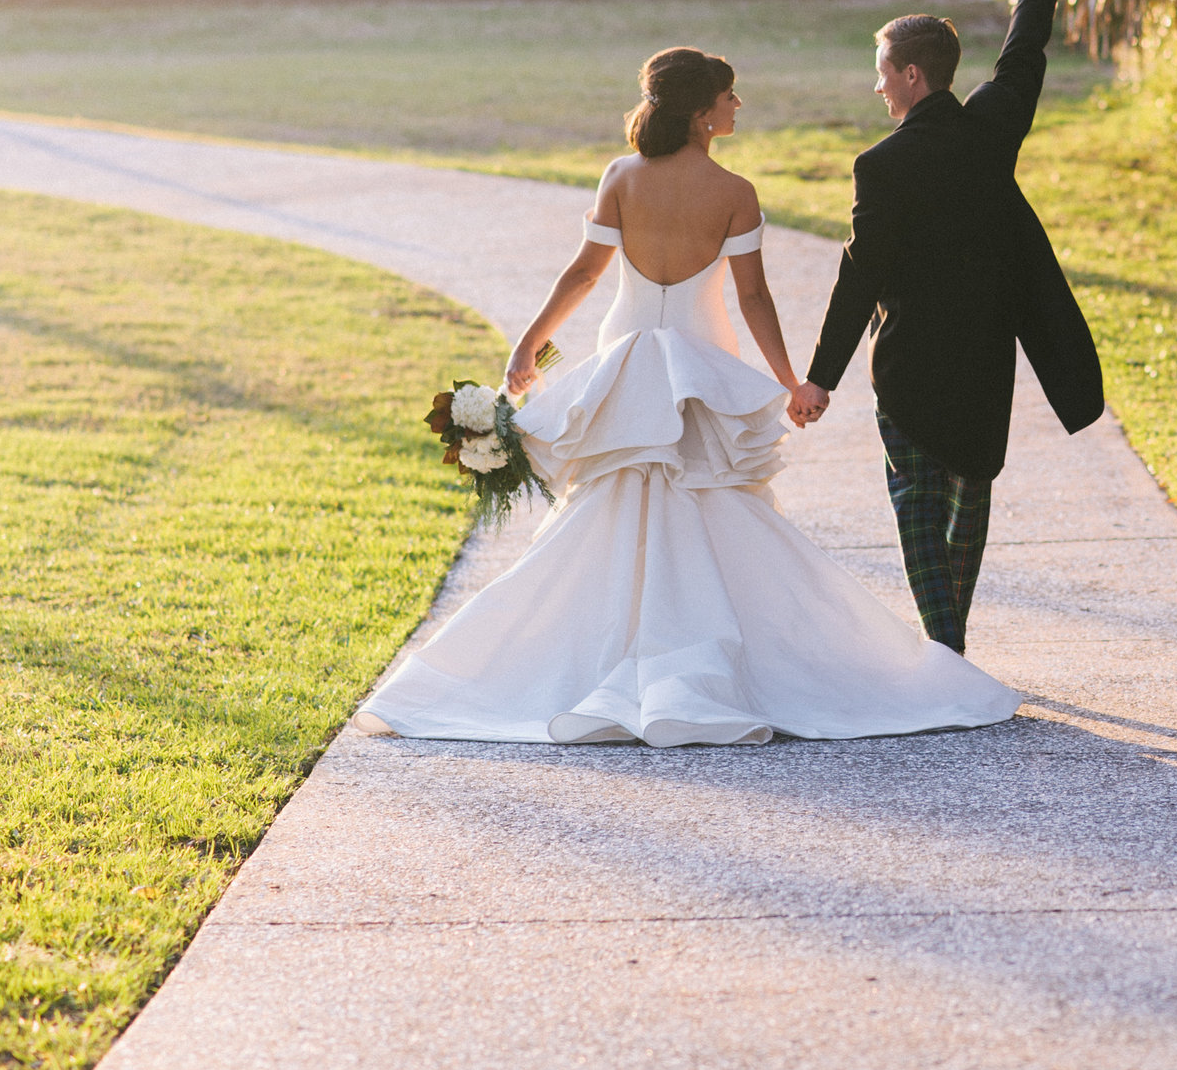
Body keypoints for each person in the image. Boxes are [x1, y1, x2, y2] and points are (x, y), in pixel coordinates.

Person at [352, 46, 1021, 747]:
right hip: (701, 369)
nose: (738, 107)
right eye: (730, 97)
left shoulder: (621, 177)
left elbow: (583, 276)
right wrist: (792, 379)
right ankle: (705, 659)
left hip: (626, 366)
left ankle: (588, 658)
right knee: (718, 513)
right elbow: (753, 296)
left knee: (606, 520)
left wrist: (529, 344)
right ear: (703, 113)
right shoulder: (734, 192)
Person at [790, 0, 1104, 652]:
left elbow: (856, 279)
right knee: (969, 505)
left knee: (915, 510)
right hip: (982, 364)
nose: (877, 89)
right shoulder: (992, 129)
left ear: (911, 75)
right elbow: (1024, 52)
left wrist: (822, 378)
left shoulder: (881, 166)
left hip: (906, 369)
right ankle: (949, 646)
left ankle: (945, 649)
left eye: (882, 75)